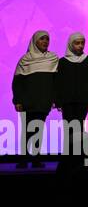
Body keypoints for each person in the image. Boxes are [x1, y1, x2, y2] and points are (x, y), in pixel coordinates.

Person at [13, 31, 59, 167]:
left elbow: (56, 82)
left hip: (44, 100)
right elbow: (17, 83)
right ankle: (23, 159)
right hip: (27, 101)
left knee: (38, 130)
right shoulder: (25, 59)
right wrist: (18, 100)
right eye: (42, 39)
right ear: (34, 41)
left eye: (47, 39)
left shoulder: (53, 58)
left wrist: (55, 99)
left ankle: (36, 159)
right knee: (27, 130)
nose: (45, 42)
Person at [54, 32, 88, 157]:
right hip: (67, 100)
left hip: (83, 100)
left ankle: (77, 155)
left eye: (82, 43)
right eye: (77, 43)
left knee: (79, 126)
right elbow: (58, 82)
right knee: (69, 127)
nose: (80, 46)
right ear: (71, 44)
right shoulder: (62, 62)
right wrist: (58, 101)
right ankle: (70, 155)